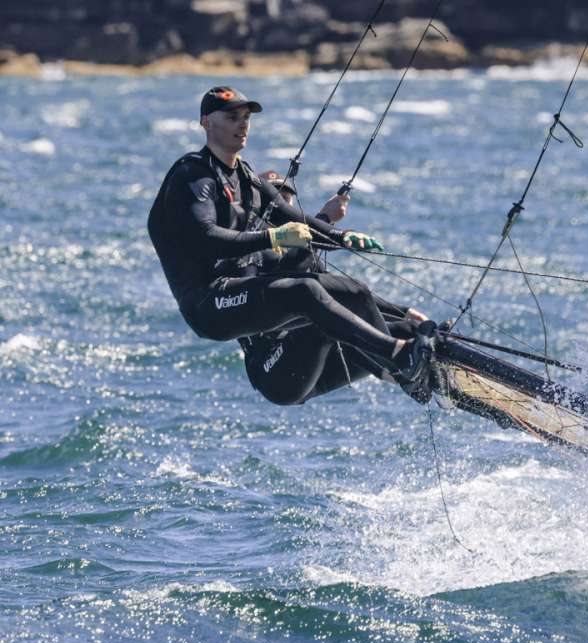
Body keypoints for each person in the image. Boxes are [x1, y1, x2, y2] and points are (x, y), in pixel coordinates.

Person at [147, 86, 433, 403]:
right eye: (232, 117)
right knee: (304, 292)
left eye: (245, 118)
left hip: (265, 318)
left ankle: (431, 369)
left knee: (352, 291)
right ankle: (397, 357)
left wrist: (340, 236)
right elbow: (206, 239)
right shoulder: (192, 175)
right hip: (209, 302)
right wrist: (274, 237)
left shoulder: (245, 176)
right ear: (206, 122)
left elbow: (290, 218)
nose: (242, 125)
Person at [236, 170, 436, 405]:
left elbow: (338, 291)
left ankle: (446, 378)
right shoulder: (249, 250)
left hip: (319, 366)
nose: (285, 205)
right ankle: (399, 374)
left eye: (288, 199)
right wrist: (324, 221)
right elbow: (289, 278)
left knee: (405, 331)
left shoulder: (293, 250)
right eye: (278, 198)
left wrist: (402, 312)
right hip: (276, 373)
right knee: (322, 319)